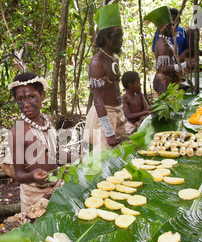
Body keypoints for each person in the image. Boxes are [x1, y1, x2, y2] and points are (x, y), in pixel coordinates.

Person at [7, 72, 75, 214]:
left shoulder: (48, 120)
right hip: (33, 196)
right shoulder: (17, 132)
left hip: (55, 188)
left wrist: (77, 158)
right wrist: (32, 176)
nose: (26, 104)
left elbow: (54, 152)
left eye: (31, 97)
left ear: (42, 96)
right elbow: (19, 174)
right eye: (20, 99)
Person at [83, 2, 127, 153]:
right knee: (103, 161)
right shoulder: (97, 62)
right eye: (117, 36)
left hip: (118, 112)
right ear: (105, 37)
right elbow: (98, 99)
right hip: (104, 116)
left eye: (121, 35)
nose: (121, 39)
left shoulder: (113, 58)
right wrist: (108, 131)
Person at [145, 6, 194, 95]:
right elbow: (163, 68)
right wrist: (185, 65)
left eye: (172, 25)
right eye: (169, 26)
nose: (173, 27)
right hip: (164, 81)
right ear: (160, 29)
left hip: (168, 79)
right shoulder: (163, 44)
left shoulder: (165, 41)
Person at [121, 71, 152, 135]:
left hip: (141, 122)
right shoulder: (124, 98)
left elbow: (147, 107)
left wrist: (156, 106)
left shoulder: (140, 94)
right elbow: (129, 116)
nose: (140, 84)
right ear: (130, 85)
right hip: (131, 126)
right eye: (138, 82)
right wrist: (146, 112)